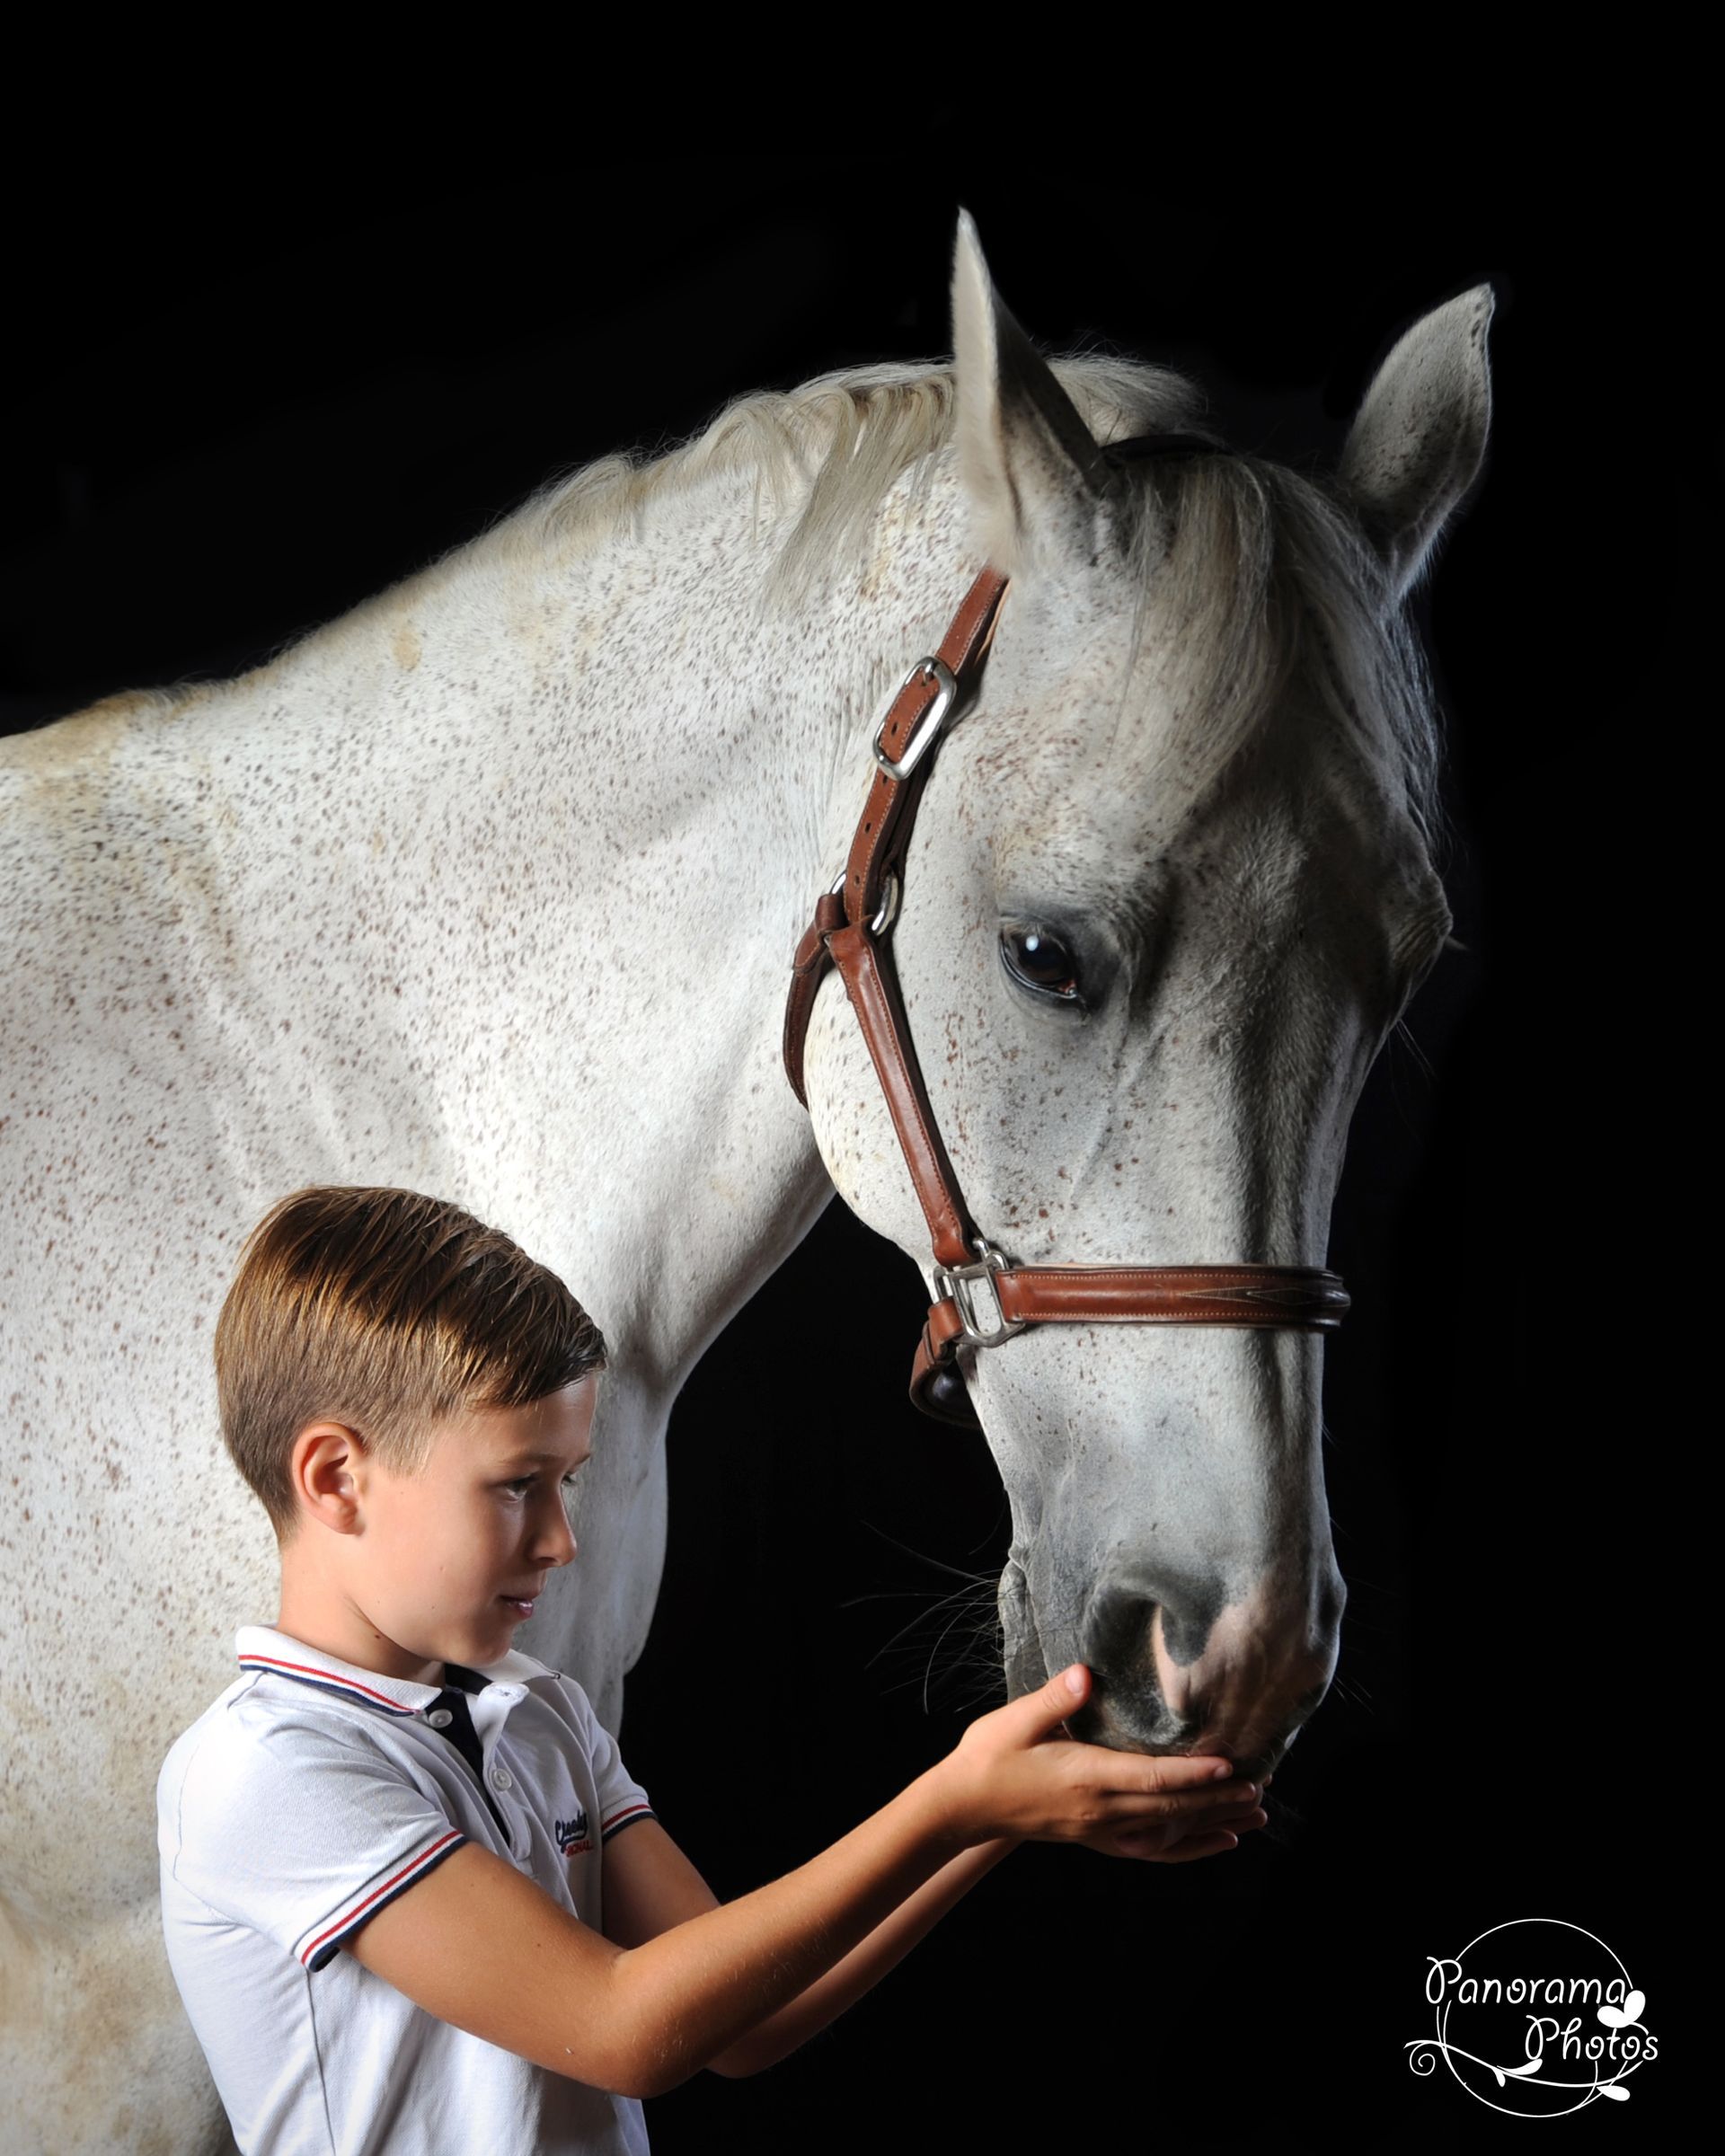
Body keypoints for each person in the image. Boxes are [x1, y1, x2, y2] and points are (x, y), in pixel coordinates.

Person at [157, 1185, 1267, 2154]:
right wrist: (947, 1804)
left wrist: (994, 1818)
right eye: (515, 1485)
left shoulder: (540, 1712)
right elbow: (621, 2029)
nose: (561, 1540)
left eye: (569, 1483)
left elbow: (736, 2025)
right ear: (335, 1477)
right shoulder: (265, 1773)